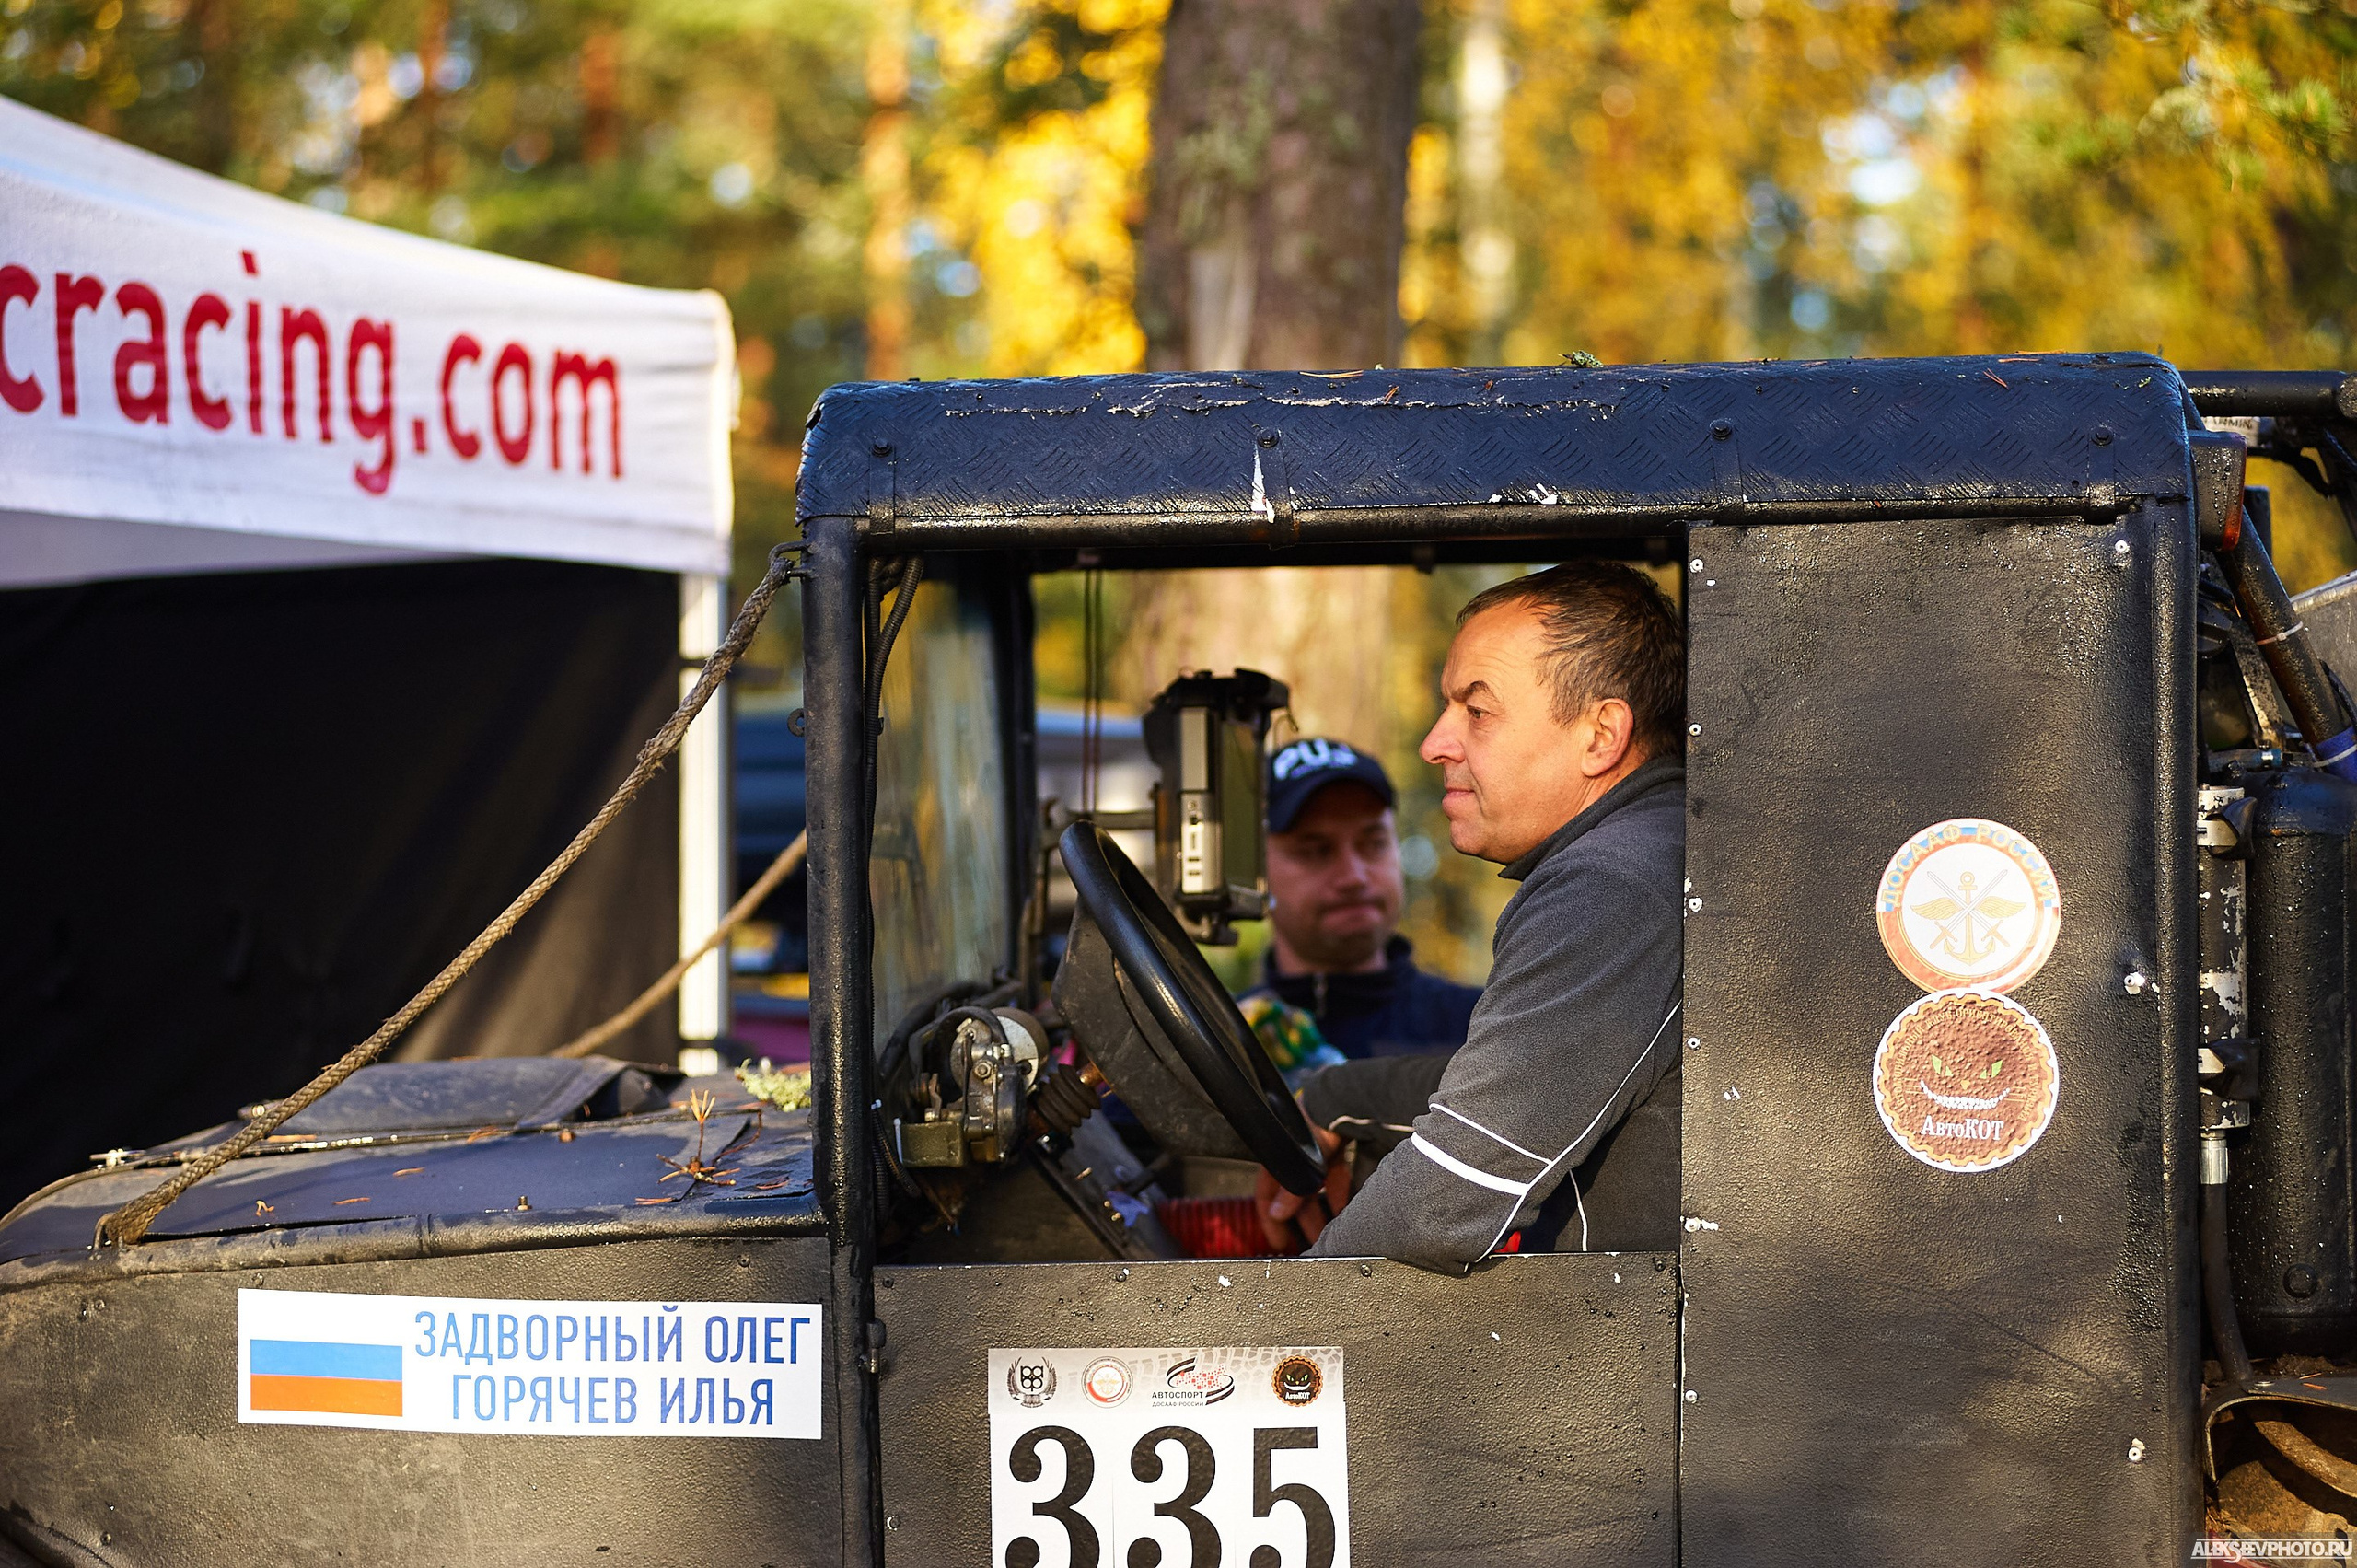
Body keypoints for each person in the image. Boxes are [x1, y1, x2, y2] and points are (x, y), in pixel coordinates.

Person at [1260, 562, 1685, 1271]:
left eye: (1476, 711)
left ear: (1600, 735)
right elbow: (1520, 1085)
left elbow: (1443, 1201)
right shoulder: (1654, 850)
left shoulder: (1607, 883)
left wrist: (1267, 1336)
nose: (1434, 743)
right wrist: (1332, 1096)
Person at [1245, 738, 1481, 1060]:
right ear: (1255, 872)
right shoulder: (1220, 1044)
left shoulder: (1481, 1033)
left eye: (1373, 843)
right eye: (1316, 851)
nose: (1354, 876)